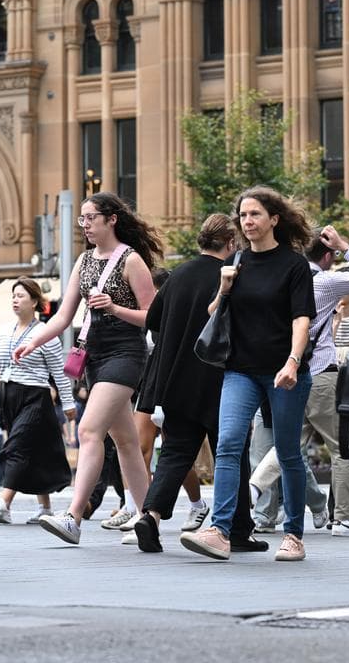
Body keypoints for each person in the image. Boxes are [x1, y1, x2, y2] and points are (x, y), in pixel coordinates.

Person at [13, 191, 161, 546]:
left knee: (90, 431)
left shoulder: (131, 260)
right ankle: (147, 521)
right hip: (94, 355)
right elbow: (63, 316)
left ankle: (74, 517)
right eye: (81, 219)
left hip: (126, 352)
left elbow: (153, 316)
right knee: (124, 441)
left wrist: (114, 308)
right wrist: (33, 341)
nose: (85, 225)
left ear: (111, 219)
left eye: (91, 217)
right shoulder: (83, 262)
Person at [178, 186, 317, 563]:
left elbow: (301, 319)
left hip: (283, 371)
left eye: (255, 214)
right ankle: (220, 531)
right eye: (243, 215)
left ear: (274, 219)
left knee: (288, 452)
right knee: (228, 444)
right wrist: (224, 289)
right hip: (239, 369)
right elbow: (213, 314)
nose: (248, 221)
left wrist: (293, 361)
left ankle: (294, 535)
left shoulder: (294, 265)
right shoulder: (236, 262)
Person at [131, 213, 268, 554]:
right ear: (231, 243)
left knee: (175, 453)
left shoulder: (178, 275)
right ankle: (238, 529)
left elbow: (153, 320)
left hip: (177, 379)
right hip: (220, 378)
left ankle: (150, 515)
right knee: (231, 452)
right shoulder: (233, 277)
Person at [249, 225, 349, 537]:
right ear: (328, 254)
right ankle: (344, 518)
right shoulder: (326, 281)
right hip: (319, 375)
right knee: (340, 448)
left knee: (289, 442)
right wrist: (346, 245)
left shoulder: (285, 277)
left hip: (289, 374)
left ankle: (253, 488)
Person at [0, 278, 76, 524]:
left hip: (35, 398)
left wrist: (69, 403)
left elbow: (58, 372)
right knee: (35, 452)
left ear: (34, 302)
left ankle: (4, 502)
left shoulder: (45, 333)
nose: (15, 300)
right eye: (13, 296)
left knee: (17, 447)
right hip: (8, 397)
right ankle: (45, 508)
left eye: (20, 296)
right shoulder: (5, 332)